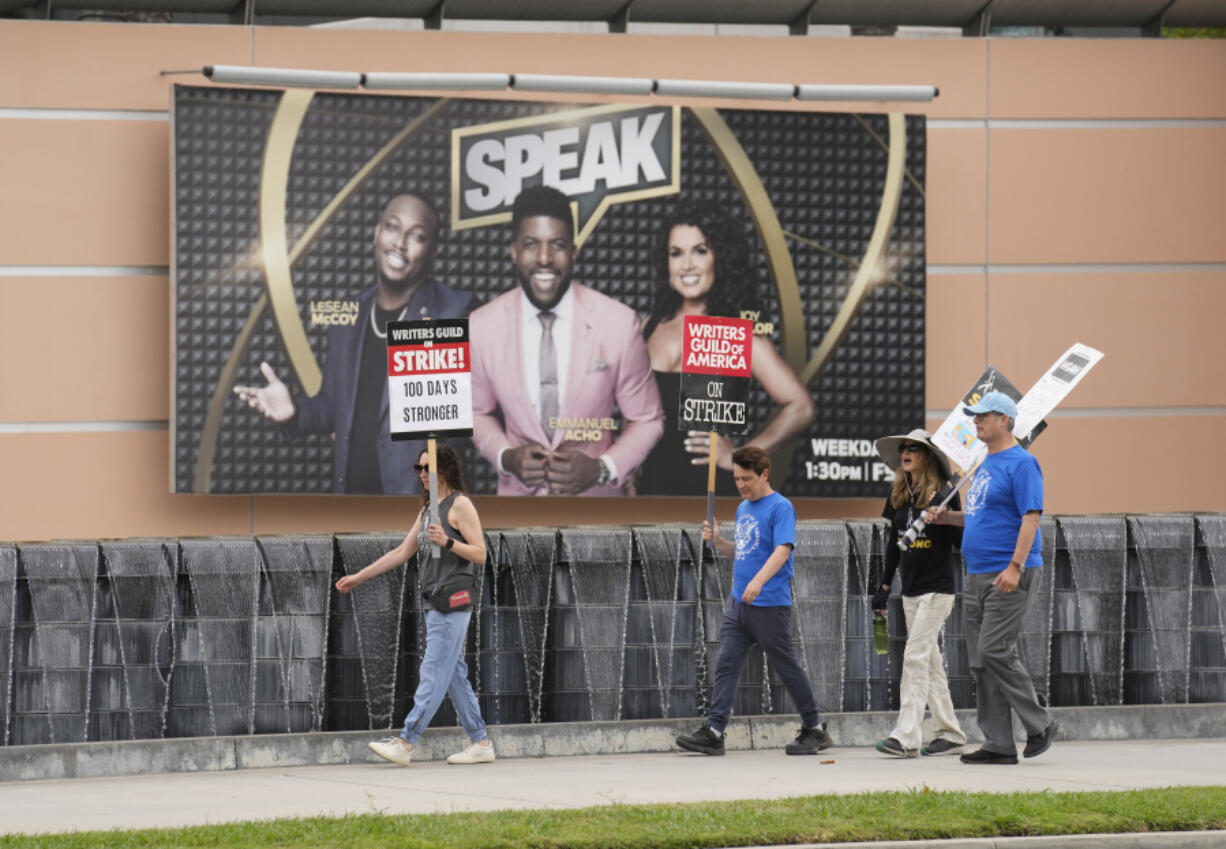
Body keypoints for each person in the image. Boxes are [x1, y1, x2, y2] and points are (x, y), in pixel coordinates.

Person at [234, 193, 473, 494]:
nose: (400, 243)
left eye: (417, 236)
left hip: (415, 511)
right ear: (376, 234)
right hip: (352, 506)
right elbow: (335, 406)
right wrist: (294, 410)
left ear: (433, 251)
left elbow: (452, 435)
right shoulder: (351, 315)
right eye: (393, 227)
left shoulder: (450, 311)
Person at [469, 185, 664, 495]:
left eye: (557, 244)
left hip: (595, 518)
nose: (544, 258)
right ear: (514, 251)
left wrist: (602, 468)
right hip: (517, 515)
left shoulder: (618, 322)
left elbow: (648, 420)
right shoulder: (482, 326)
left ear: (574, 252)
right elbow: (477, 412)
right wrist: (507, 457)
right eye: (531, 244)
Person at [637, 201, 815, 496]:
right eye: (676, 253)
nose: (687, 265)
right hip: (653, 490)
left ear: (720, 257)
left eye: (700, 250)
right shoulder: (648, 327)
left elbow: (801, 407)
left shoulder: (738, 332)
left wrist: (741, 455)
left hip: (711, 494)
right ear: (665, 262)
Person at [337, 443, 494, 766]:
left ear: (445, 470)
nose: (422, 475)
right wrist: (359, 577)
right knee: (453, 675)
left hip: (453, 601)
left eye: (428, 469)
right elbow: (401, 553)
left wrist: (448, 541)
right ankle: (480, 742)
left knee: (434, 671)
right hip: (434, 601)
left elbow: (480, 553)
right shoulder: (427, 511)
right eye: (418, 469)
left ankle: (407, 742)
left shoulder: (460, 506)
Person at [926, 391, 1058, 765]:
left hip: (1009, 571)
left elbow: (1031, 517)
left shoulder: (1023, 464)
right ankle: (999, 743)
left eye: (983, 416)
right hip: (977, 573)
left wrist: (1015, 567)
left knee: (994, 649)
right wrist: (947, 517)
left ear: (1005, 420)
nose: (976, 421)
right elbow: (983, 517)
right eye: (975, 416)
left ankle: (1041, 723)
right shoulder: (984, 463)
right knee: (981, 661)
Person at [674, 446, 831, 756]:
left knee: (786, 666)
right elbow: (743, 550)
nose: (741, 485)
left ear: (765, 474)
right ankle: (715, 731)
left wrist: (758, 582)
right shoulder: (743, 508)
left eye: (746, 479)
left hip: (769, 604)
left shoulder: (781, 507)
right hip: (739, 604)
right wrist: (718, 541)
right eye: (736, 479)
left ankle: (814, 728)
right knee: (726, 665)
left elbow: (783, 550)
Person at [871, 429, 967, 758]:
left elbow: (961, 544)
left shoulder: (944, 493)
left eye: (914, 448)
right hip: (910, 591)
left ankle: (907, 736)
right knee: (930, 663)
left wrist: (945, 519)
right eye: (903, 448)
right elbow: (893, 545)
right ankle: (950, 732)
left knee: (914, 657)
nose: (906, 452)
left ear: (927, 456)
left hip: (938, 590)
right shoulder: (899, 494)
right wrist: (885, 586)